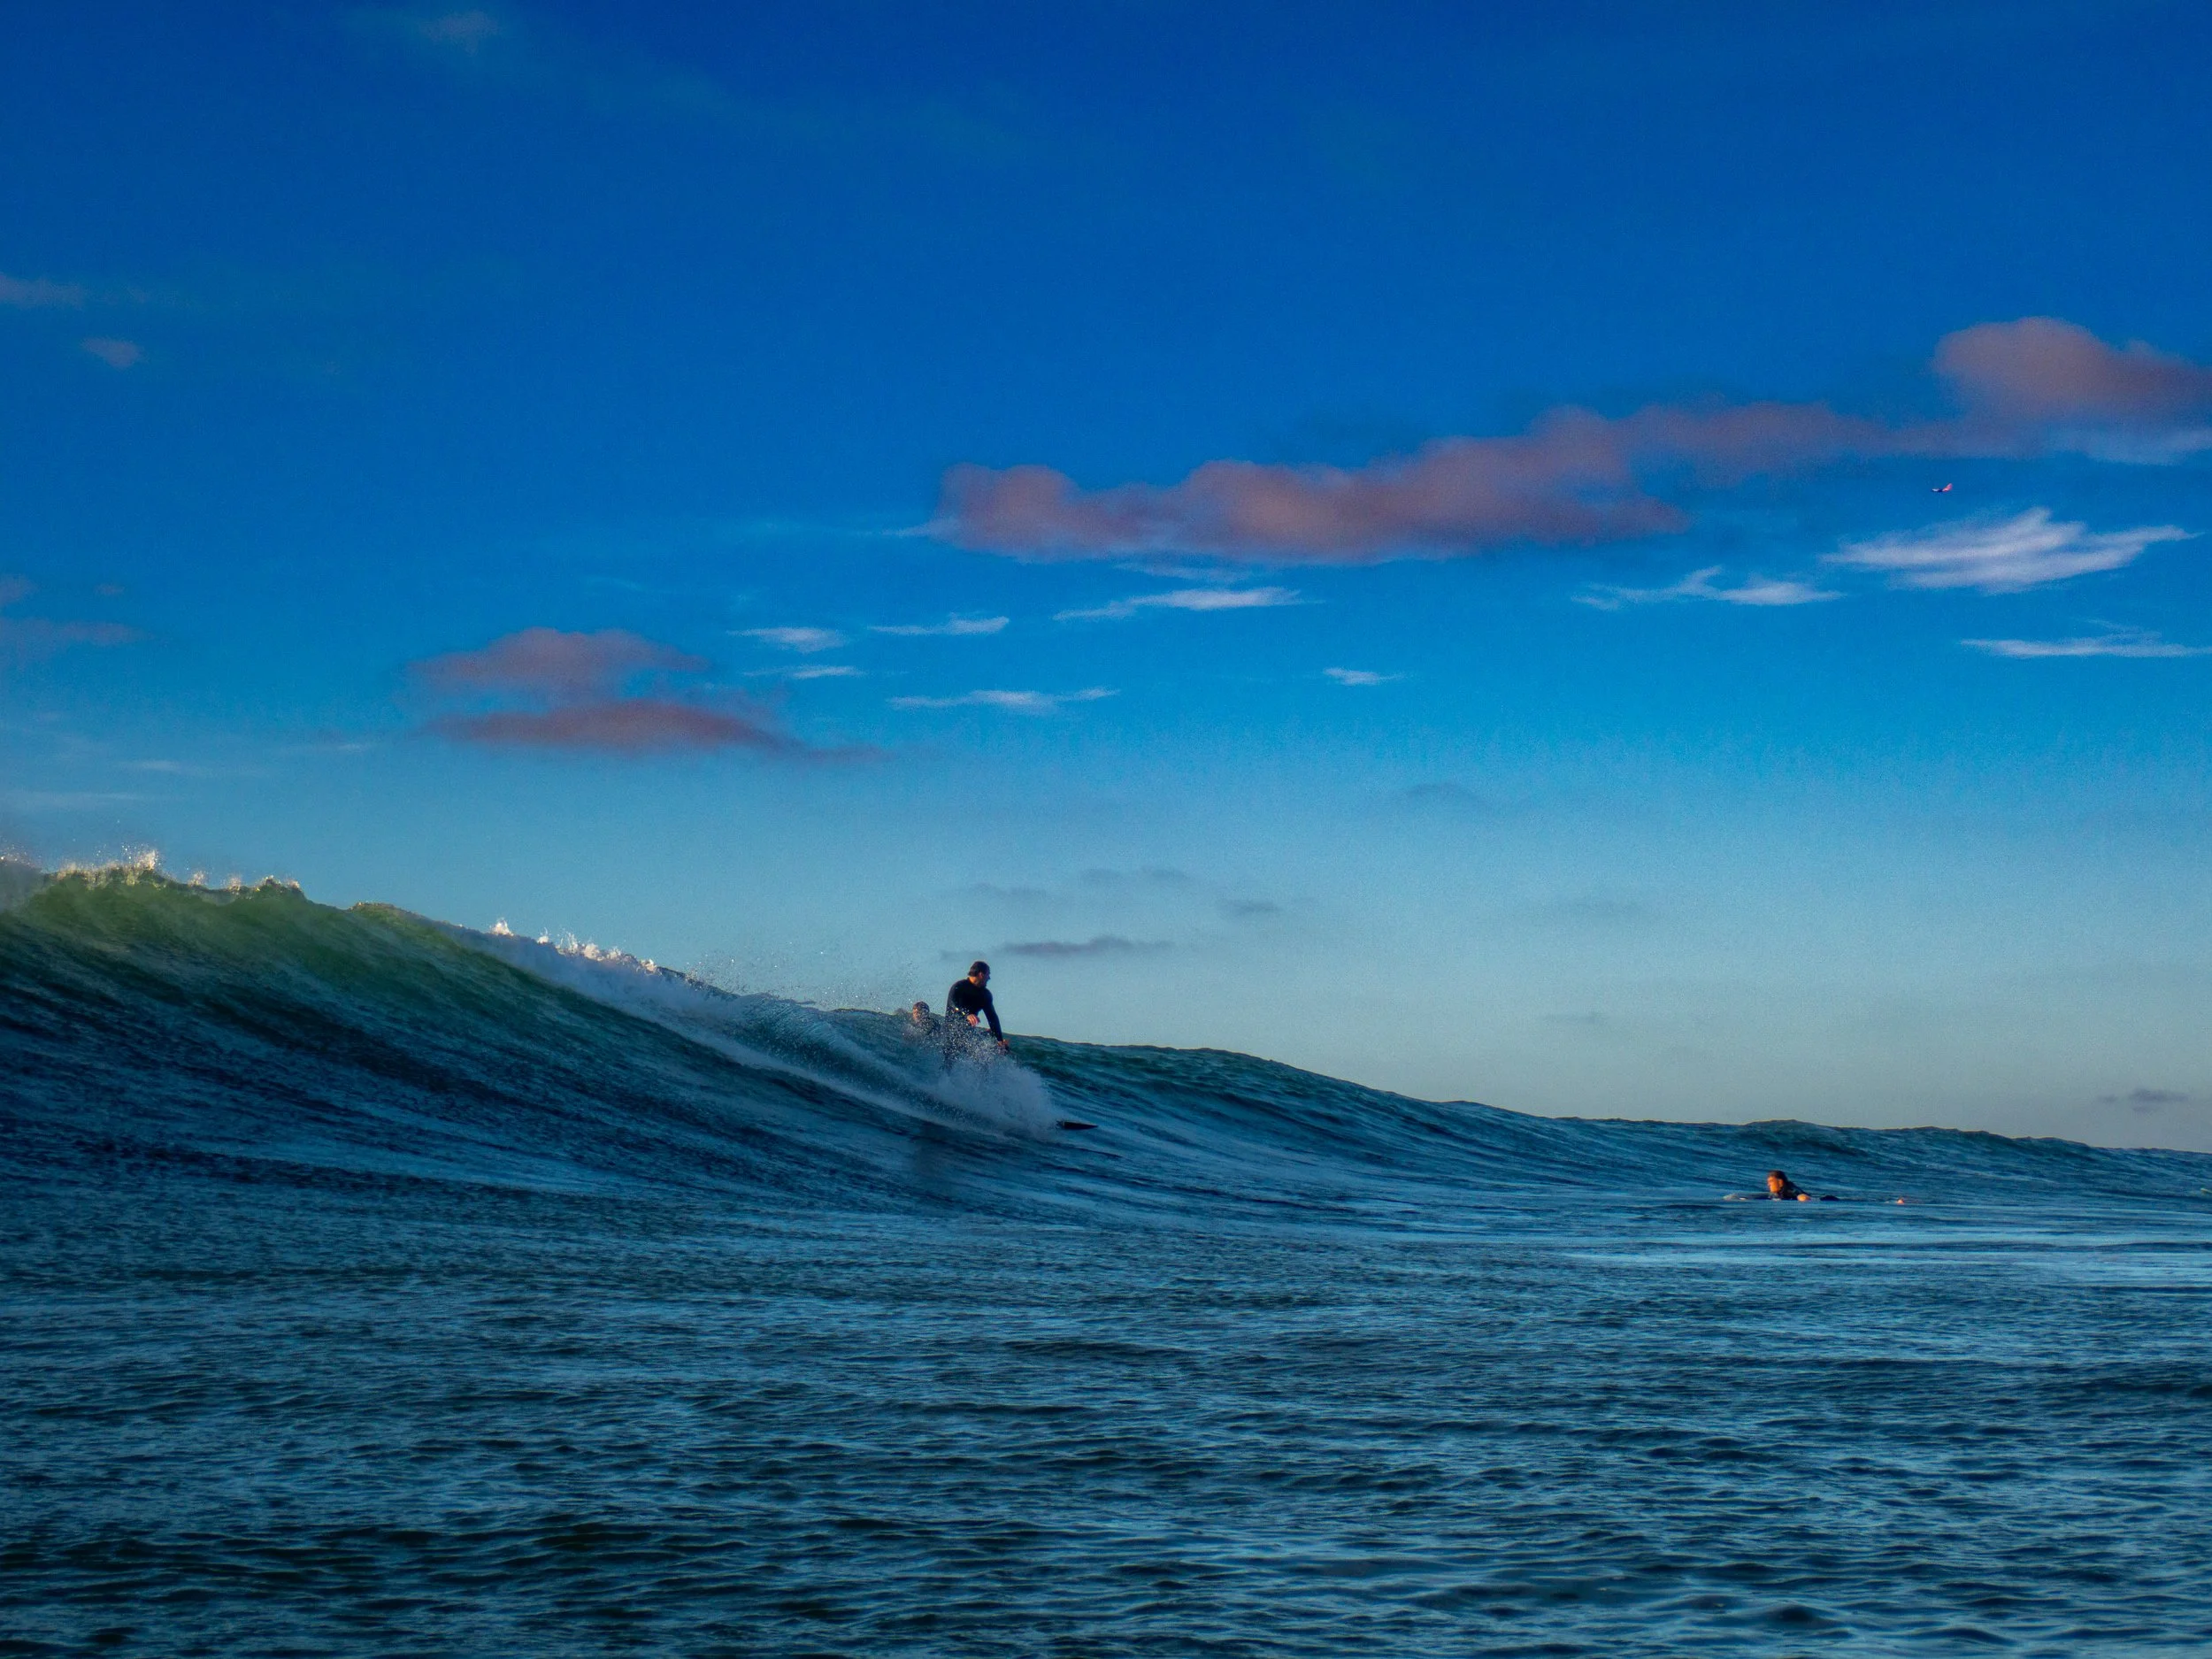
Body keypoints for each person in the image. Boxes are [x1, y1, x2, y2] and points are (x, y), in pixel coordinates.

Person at [945, 960, 1007, 1052]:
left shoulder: (985, 995)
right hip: (951, 1031)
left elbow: (992, 1017)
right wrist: (967, 1014)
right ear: (981, 975)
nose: (989, 978)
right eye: (988, 974)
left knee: (993, 1050)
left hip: (968, 1034)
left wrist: (999, 1040)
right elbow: (952, 1003)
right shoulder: (959, 986)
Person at [1765, 1170, 1835, 1202]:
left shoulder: (1788, 1189)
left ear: (1780, 1182)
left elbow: (1802, 1196)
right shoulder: (1783, 1190)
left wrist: (1802, 1198)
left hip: (1827, 1200)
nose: (1768, 1184)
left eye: (1771, 1181)